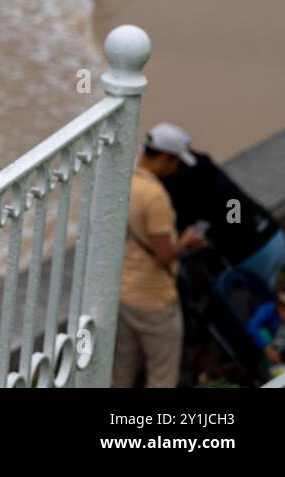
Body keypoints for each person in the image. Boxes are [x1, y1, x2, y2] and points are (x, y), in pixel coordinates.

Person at [113, 140, 207, 387]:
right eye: (175, 161)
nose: (175, 168)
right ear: (165, 158)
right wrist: (187, 242)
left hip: (124, 291)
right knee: (162, 374)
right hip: (154, 297)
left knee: (120, 370)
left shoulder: (125, 181)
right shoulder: (155, 197)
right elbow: (164, 255)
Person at [149, 123, 284, 292]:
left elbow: (228, 212)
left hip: (250, 250)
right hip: (270, 232)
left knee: (262, 309)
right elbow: (231, 204)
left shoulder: (176, 180)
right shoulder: (200, 163)